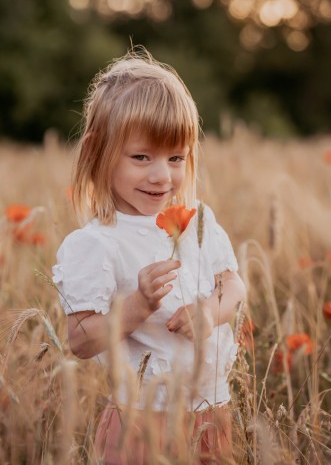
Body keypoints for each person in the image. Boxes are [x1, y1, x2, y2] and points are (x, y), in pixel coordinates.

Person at [52, 49, 246, 464]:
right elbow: (81, 341)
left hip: (211, 413)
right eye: (142, 157)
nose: (162, 175)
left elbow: (233, 283)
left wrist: (211, 312)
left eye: (176, 158)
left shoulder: (198, 221)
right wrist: (138, 306)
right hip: (142, 422)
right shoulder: (97, 243)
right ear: (95, 154)